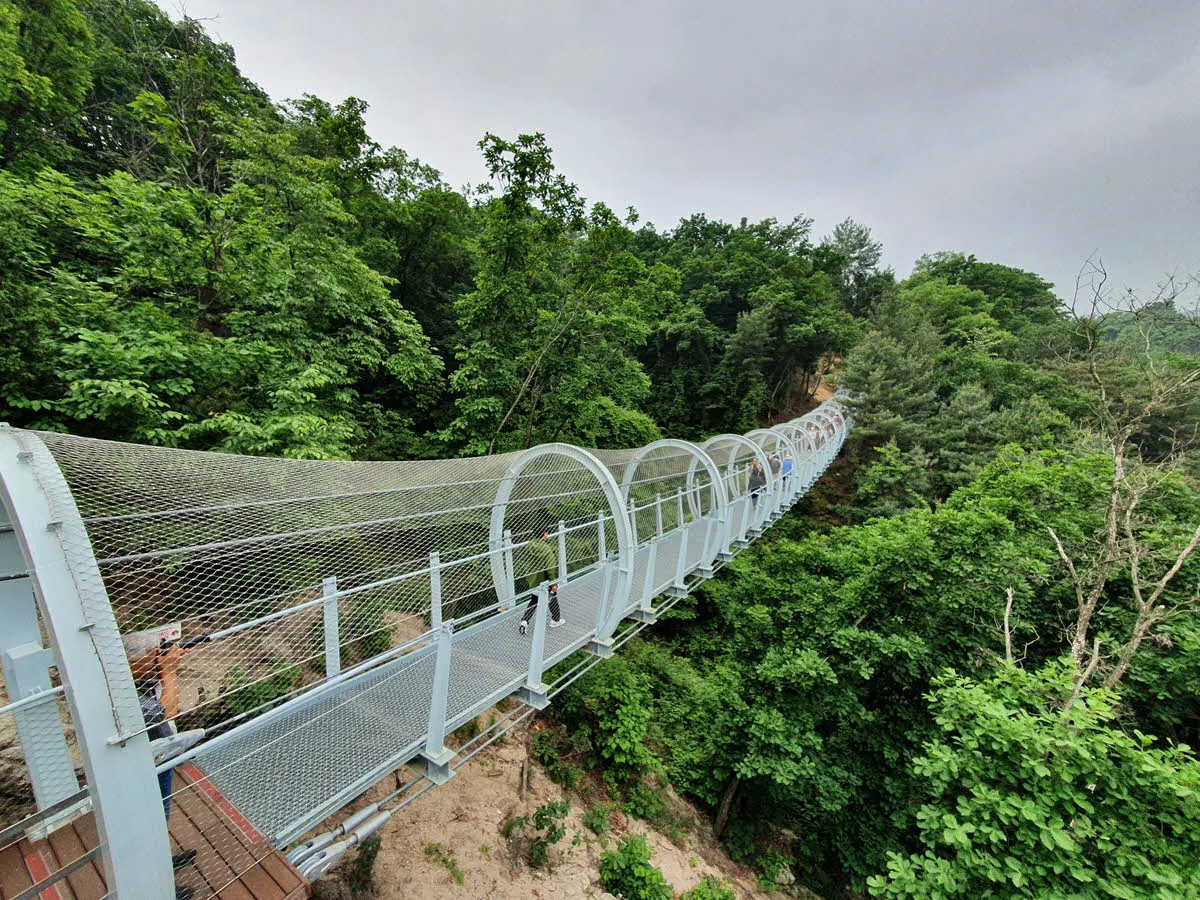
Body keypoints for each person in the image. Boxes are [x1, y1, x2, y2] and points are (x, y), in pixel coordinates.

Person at [123, 631, 197, 899]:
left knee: (158, 817)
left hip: (152, 759)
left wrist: (163, 667)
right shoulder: (130, 696)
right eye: (154, 655)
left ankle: (161, 861)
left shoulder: (132, 679)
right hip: (146, 766)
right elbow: (166, 713)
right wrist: (168, 672)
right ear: (134, 661)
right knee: (150, 821)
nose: (158, 658)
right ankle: (159, 888)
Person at [517, 526, 565, 634]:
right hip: (544, 579)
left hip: (533, 578)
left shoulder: (530, 545)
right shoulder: (546, 549)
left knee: (534, 600)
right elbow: (550, 568)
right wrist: (553, 583)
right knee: (553, 597)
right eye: (546, 533)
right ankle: (555, 620)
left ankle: (524, 621)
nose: (547, 535)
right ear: (544, 534)